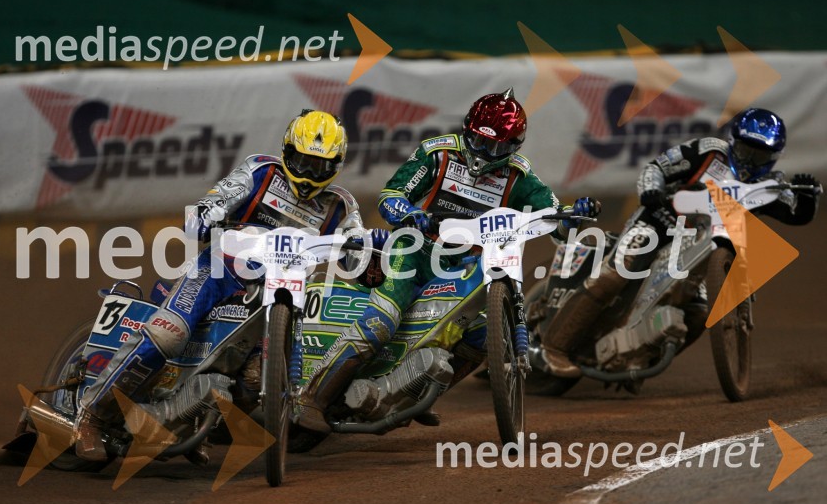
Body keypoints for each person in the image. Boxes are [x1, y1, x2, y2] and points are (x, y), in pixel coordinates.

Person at [74, 109, 388, 461]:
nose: (308, 174)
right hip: (219, 272)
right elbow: (209, 205)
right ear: (287, 151)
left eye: (320, 167)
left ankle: (185, 422)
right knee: (169, 333)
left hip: (279, 297)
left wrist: (369, 250)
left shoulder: (340, 205)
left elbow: (356, 261)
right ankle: (92, 416)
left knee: (256, 380)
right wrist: (208, 212)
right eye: (302, 162)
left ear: (336, 166)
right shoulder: (259, 171)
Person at [295, 88, 601, 434]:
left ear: (514, 147)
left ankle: (410, 392)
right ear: (467, 130)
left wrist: (572, 217)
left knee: (485, 337)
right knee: (382, 321)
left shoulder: (521, 176)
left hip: (465, 267)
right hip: (412, 252)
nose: (485, 154)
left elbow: (552, 216)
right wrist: (410, 214)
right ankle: (312, 398)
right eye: (478, 142)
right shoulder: (436, 153)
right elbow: (390, 196)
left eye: (497, 148)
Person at [542, 107, 822, 378]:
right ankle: (554, 348)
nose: (752, 161)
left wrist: (809, 198)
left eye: (761, 156)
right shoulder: (709, 150)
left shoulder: (771, 184)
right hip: (659, 221)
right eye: (748, 151)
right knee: (616, 274)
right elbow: (657, 167)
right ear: (734, 142)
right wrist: (651, 191)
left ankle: (637, 360)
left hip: (704, 246)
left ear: (775, 157)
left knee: (699, 314)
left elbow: (795, 214)